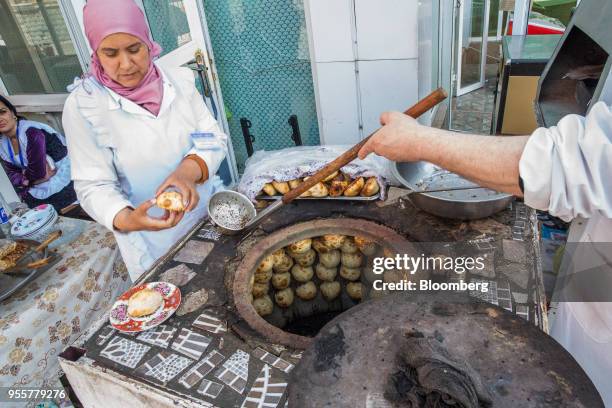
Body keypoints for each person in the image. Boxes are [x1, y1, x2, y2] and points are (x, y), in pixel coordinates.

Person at [358, 102, 612, 404]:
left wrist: (418, 141)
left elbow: (567, 164)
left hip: (603, 347)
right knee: (562, 380)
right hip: (593, 294)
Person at [62, 0, 227, 280]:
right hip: (150, 235)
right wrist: (127, 218)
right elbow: (94, 185)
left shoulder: (178, 82)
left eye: (134, 49)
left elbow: (211, 137)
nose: (126, 64)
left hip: (205, 215)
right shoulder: (85, 105)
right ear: (95, 53)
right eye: (110, 53)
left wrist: (188, 172)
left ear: (149, 44)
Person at [0, 95, 77, 212]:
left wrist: (24, 177)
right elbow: (12, 176)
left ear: (12, 112)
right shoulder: (3, 144)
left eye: (2, 112)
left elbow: (38, 172)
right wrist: (32, 179)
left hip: (66, 184)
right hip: (37, 189)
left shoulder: (32, 132)